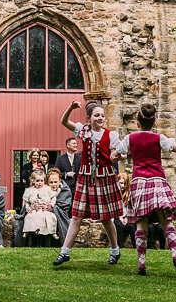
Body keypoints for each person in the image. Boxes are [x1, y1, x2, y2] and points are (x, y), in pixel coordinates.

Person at [114, 103, 176, 276]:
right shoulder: (159, 138)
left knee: (141, 223)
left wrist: (119, 155)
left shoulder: (130, 138)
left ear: (137, 122)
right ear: (154, 123)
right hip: (157, 181)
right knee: (167, 221)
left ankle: (141, 265)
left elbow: (117, 154)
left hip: (139, 182)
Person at [53, 100, 123, 267]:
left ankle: (115, 251)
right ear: (89, 118)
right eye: (97, 115)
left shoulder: (110, 135)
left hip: (104, 179)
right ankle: (65, 252)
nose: (101, 118)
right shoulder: (83, 130)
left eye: (102, 116)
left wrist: (117, 155)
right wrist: (70, 107)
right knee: (76, 216)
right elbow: (64, 121)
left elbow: (121, 152)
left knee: (106, 218)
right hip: (85, 179)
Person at [22, 170, 58, 245]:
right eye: (37, 181)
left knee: (51, 217)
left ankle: (52, 232)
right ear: (33, 181)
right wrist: (28, 208)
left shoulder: (47, 189)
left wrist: (50, 205)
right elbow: (27, 202)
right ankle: (27, 231)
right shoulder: (30, 190)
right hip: (35, 210)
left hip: (45, 210)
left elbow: (53, 197)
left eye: (41, 181)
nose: (39, 183)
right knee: (29, 217)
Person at [113, 171, 135, 249]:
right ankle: (119, 246)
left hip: (126, 216)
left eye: (124, 184)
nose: (122, 186)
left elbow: (130, 208)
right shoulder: (113, 194)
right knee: (119, 225)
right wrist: (119, 217)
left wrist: (126, 218)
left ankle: (136, 247)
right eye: (120, 183)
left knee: (131, 226)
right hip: (116, 216)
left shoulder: (128, 194)